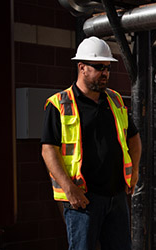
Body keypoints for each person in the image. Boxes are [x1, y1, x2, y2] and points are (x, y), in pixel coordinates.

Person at [40, 36, 142, 250]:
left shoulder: (114, 100)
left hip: (116, 197)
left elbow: (133, 138)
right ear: (82, 67)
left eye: (107, 67)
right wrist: (69, 189)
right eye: (98, 67)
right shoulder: (59, 104)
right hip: (83, 199)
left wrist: (134, 172)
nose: (105, 73)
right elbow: (49, 150)